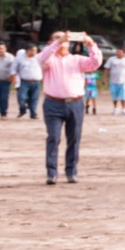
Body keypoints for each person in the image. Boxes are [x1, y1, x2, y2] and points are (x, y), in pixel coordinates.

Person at [38, 32, 103, 184]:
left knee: (74, 138)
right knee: (53, 137)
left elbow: (95, 63)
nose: (62, 42)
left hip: (75, 102)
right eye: (57, 39)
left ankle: (71, 171)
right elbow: (42, 58)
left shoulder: (76, 60)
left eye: (65, 39)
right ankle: (51, 172)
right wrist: (56, 43)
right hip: (53, 102)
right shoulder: (49, 59)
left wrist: (91, 44)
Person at [14, 45, 42, 119]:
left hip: (36, 81)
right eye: (33, 50)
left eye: (36, 50)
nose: (35, 52)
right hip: (24, 81)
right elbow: (14, 69)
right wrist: (14, 79)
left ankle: (33, 114)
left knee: (34, 98)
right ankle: (22, 109)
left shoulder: (39, 58)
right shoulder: (20, 59)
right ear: (28, 50)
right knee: (22, 97)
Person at [104, 47, 125, 115]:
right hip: (113, 81)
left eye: (120, 52)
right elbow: (107, 69)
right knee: (114, 95)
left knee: (124, 96)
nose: (119, 53)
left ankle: (124, 109)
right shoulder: (111, 59)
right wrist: (104, 78)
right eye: (118, 52)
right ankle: (115, 108)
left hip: (123, 81)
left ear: (123, 53)